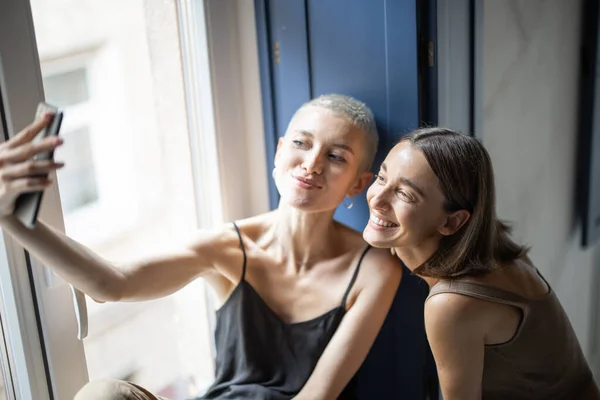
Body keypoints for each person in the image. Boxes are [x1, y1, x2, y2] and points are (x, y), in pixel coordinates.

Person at [0, 94, 402, 400]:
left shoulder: (374, 269)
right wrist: (11, 216)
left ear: (357, 184)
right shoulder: (227, 247)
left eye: (335, 156)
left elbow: (316, 397)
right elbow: (111, 284)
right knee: (102, 395)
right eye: (301, 143)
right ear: (280, 152)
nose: (312, 164)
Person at [362, 126, 600, 400]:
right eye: (381, 177)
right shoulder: (491, 246)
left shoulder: (452, 303)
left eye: (405, 194)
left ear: (452, 221)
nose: (377, 199)